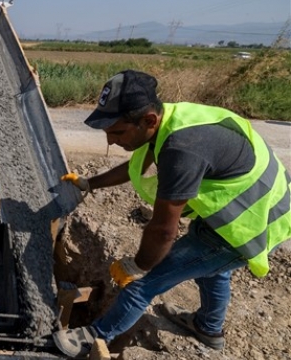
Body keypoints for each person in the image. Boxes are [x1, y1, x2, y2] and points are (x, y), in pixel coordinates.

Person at [52, 69, 291, 358]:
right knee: (214, 272)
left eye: (116, 132)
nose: (111, 141)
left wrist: (137, 265)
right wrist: (90, 183)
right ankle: (208, 328)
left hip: (250, 222)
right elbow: (134, 167)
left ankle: (95, 336)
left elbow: (163, 231)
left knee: (145, 284)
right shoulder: (170, 121)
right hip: (247, 206)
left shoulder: (182, 149)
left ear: (148, 120)